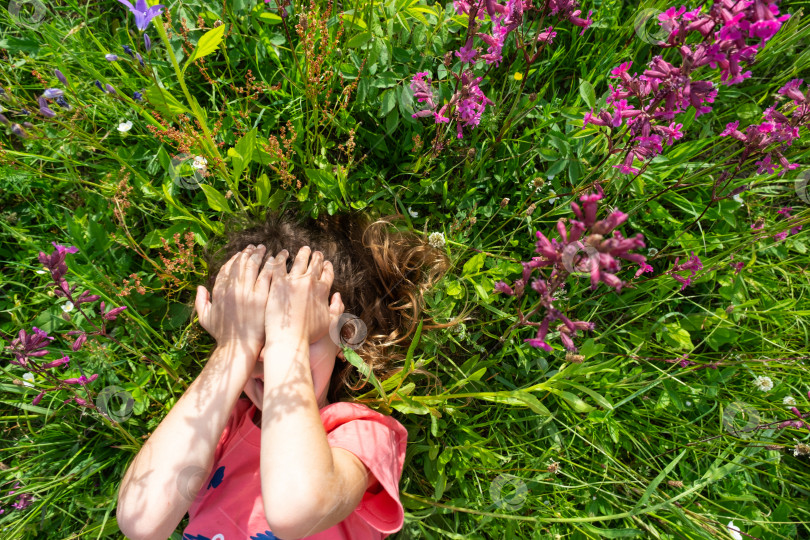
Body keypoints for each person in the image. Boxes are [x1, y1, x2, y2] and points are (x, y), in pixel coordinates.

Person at [116, 209, 450, 540]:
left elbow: (296, 511)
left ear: (344, 336)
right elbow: (141, 519)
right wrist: (233, 349)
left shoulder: (359, 433)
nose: (264, 355)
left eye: (302, 335)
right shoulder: (223, 425)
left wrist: (285, 341)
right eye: (255, 336)